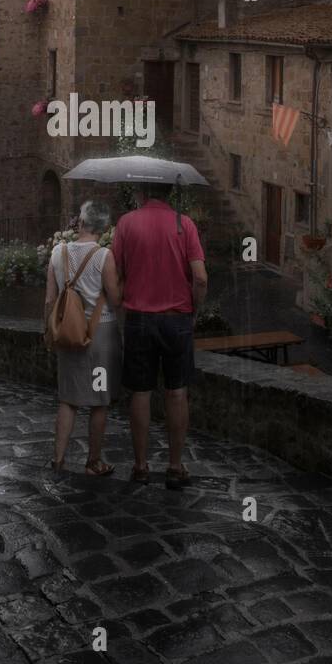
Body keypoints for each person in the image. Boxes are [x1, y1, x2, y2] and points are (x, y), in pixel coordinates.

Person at [112, 182, 207, 488]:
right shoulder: (185, 224)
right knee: (177, 392)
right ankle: (175, 467)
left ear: (142, 192)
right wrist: (195, 311)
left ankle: (141, 466)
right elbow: (201, 278)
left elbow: (117, 272)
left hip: (139, 320)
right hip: (176, 319)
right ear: (170, 193)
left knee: (140, 393)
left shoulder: (127, 223)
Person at [44, 200, 122, 477]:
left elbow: (50, 299)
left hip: (68, 333)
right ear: (104, 227)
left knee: (68, 399)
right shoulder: (105, 257)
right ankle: (93, 462)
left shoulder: (57, 252)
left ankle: (58, 458)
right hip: (100, 334)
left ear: (81, 222)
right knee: (99, 400)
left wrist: (50, 332)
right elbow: (114, 298)